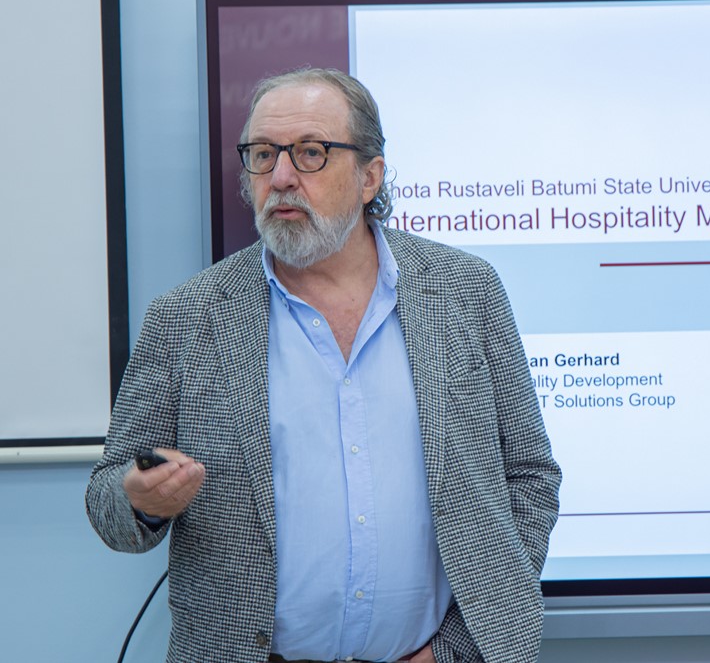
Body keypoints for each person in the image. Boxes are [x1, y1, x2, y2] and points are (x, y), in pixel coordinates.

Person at [86, 67, 561, 663]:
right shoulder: (187, 317)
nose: (281, 177)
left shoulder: (465, 291)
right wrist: (141, 501)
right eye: (263, 155)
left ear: (370, 177)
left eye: (310, 153)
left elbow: (529, 476)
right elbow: (107, 500)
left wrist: (459, 648)